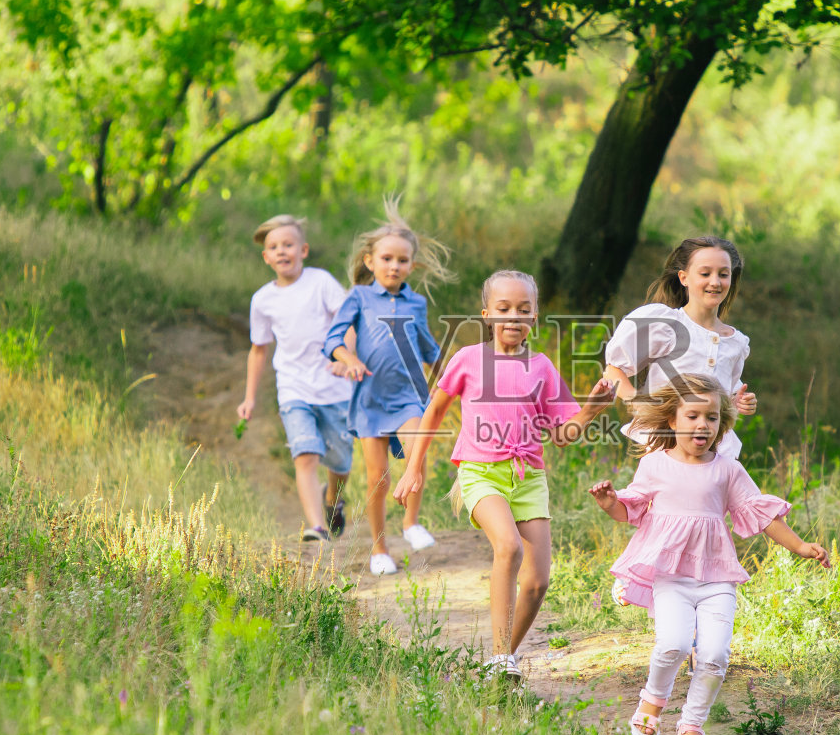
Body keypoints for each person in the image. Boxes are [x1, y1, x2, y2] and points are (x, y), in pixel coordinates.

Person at [589, 374, 828, 735]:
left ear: (722, 424)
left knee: (715, 656)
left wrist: (800, 546)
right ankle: (652, 701)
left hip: (718, 579)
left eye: (712, 418)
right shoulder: (654, 465)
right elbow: (630, 510)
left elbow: (760, 514)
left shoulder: (727, 469)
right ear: (672, 420)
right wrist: (609, 503)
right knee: (674, 644)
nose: (703, 425)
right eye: (693, 416)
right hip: (671, 578)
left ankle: (692, 725)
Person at [393, 270, 614, 679]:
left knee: (537, 582)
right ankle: (499, 657)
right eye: (504, 308)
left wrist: (590, 411)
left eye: (523, 310)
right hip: (481, 472)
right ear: (487, 315)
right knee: (509, 548)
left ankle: (499, 664)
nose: (513, 317)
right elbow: (434, 411)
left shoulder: (542, 367)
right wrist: (413, 468)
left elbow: (562, 435)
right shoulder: (468, 359)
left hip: (528, 477)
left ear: (535, 317)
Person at [323, 207, 452, 576]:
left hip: (409, 396)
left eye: (402, 260)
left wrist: (452, 377)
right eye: (386, 258)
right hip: (370, 399)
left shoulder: (416, 303)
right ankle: (379, 549)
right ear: (370, 261)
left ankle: (410, 522)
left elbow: (427, 346)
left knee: (416, 454)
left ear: (412, 265)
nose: (394, 266)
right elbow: (332, 341)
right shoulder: (359, 298)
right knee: (378, 478)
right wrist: (348, 358)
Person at [236, 214, 353, 543]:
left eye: (288, 244)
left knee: (341, 462)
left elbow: (348, 320)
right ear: (266, 257)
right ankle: (317, 527)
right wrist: (249, 398)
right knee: (305, 454)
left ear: (303, 250)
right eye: (274, 247)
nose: (281, 251)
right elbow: (258, 350)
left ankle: (332, 499)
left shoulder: (321, 282)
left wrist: (346, 358)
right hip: (293, 387)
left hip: (334, 387)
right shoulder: (263, 300)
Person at [601, 236, 756, 461]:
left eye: (723, 274)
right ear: (684, 278)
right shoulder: (665, 324)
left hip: (712, 450)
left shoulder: (735, 342)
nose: (715, 282)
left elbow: (724, 398)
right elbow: (613, 370)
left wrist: (739, 402)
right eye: (705, 274)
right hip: (664, 445)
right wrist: (639, 403)